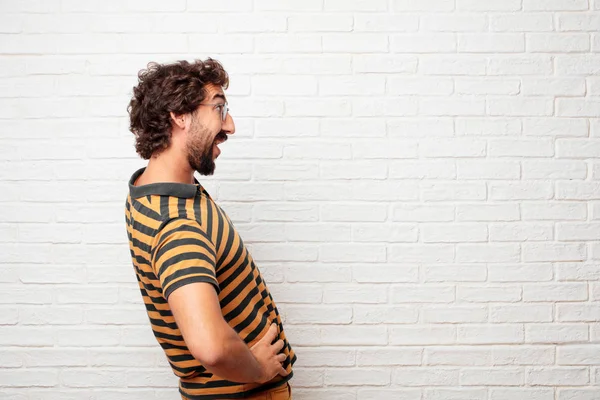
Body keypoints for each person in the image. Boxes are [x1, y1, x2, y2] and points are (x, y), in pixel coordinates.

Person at [124, 59, 295, 400]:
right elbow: (210, 347)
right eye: (219, 108)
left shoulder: (154, 188)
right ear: (180, 115)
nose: (229, 125)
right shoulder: (176, 226)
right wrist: (260, 370)